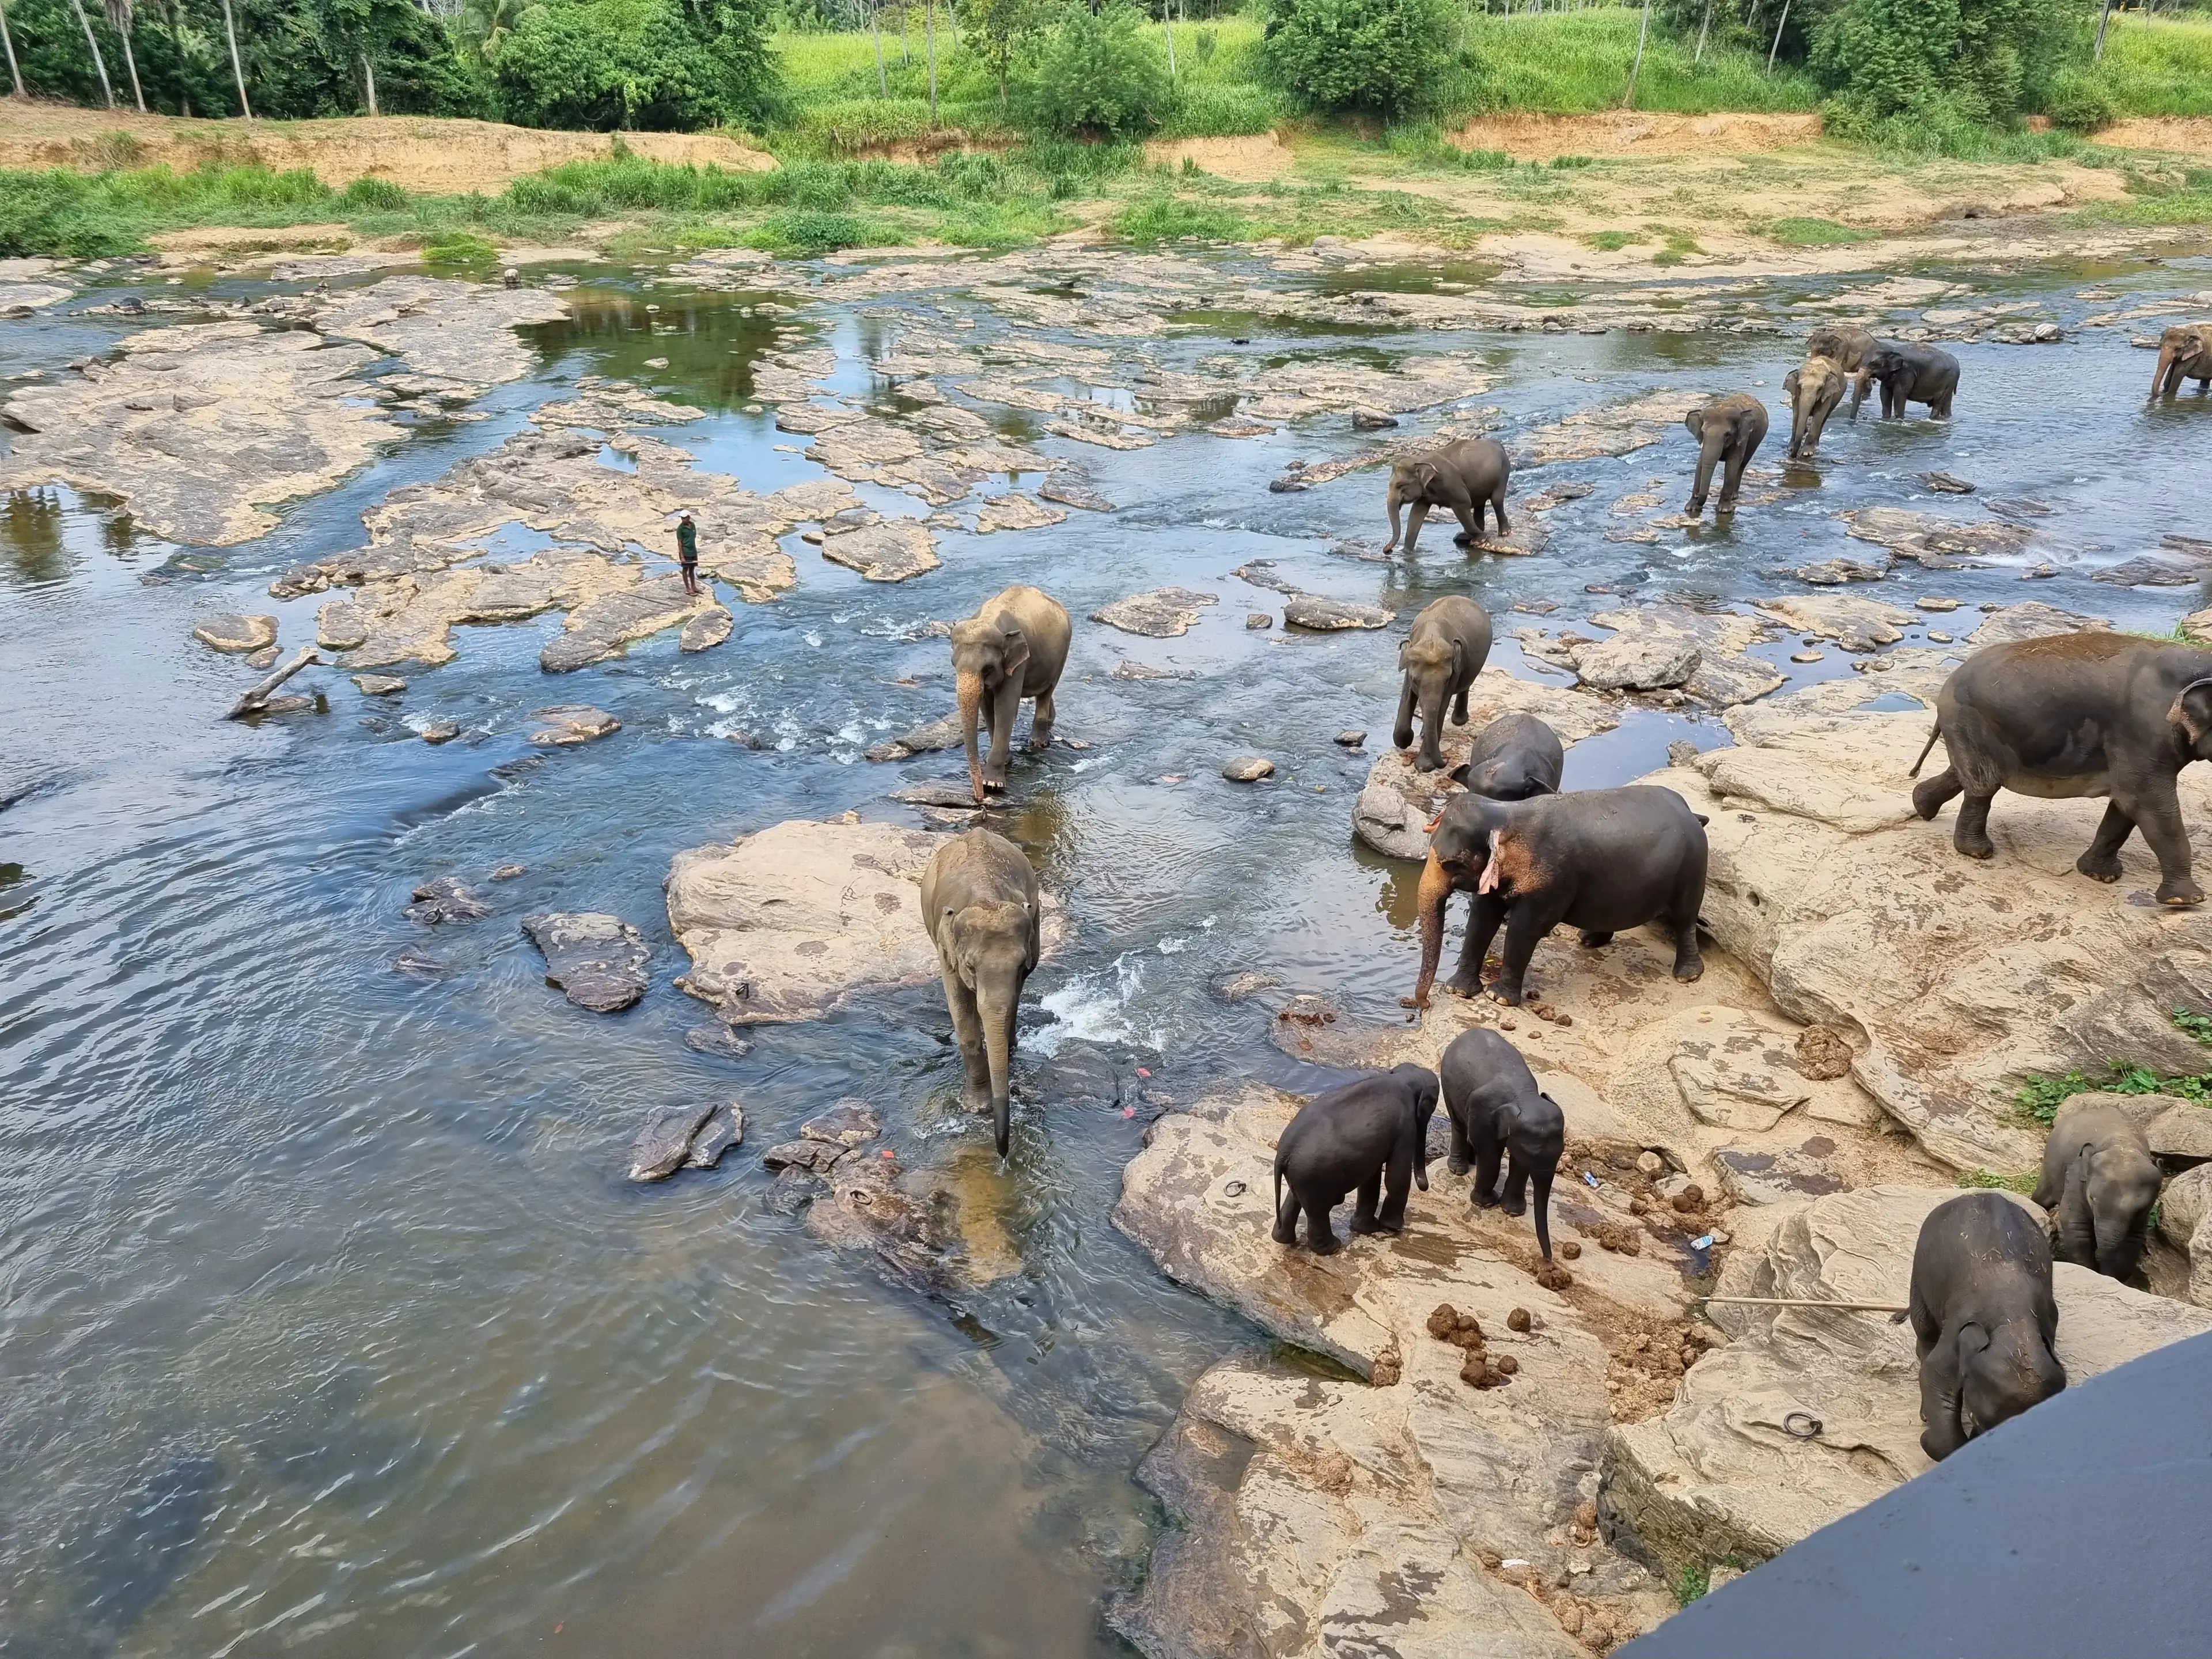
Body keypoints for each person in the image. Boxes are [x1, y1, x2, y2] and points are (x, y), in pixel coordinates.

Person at [676, 511, 700, 597]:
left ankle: (694, 586)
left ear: (689, 517)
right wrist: (682, 556)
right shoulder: (680, 529)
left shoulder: (693, 525)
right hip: (685, 551)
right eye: (682, 518)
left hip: (693, 551)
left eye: (684, 518)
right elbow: (680, 543)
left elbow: (694, 536)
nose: (683, 520)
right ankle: (688, 588)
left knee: (692, 569)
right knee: (685, 569)